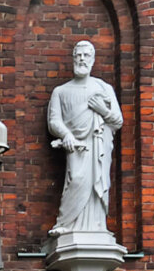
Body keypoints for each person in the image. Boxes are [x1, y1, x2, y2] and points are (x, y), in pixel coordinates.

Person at [47, 40, 123, 236]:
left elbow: (117, 121)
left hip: (99, 145)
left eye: (86, 55)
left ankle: (97, 226)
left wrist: (102, 110)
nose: (82, 59)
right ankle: (66, 223)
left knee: (98, 181)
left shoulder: (104, 88)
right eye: (78, 55)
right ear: (73, 58)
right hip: (76, 146)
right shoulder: (61, 91)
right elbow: (54, 121)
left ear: (93, 59)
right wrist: (67, 135)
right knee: (77, 179)